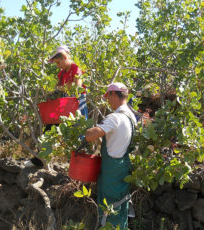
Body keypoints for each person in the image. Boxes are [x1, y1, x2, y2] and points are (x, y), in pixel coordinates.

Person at [85, 82, 137, 228]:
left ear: (114, 95)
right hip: (123, 167)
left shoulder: (115, 118)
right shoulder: (131, 117)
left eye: (108, 96)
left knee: (110, 209)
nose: (108, 101)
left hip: (112, 171)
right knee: (121, 207)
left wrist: (85, 131)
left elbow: (91, 135)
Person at [49, 45, 88, 119]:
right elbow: (58, 88)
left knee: (81, 125)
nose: (57, 66)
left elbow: (77, 87)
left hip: (78, 100)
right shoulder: (61, 74)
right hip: (67, 103)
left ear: (65, 57)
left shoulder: (76, 67)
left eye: (58, 62)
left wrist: (61, 88)